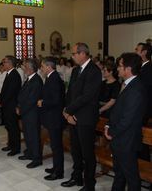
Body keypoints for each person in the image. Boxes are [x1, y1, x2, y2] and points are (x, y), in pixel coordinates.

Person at [62, 43, 102, 191]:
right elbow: (70, 93)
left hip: (85, 118)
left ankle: (89, 184)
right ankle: (77, 176)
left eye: (74, 54)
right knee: (75, 150)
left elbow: (87, 96)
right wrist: (67, 111)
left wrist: (69, 110)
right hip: (72, 116)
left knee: (87, 153)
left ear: (83, 53)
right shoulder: (75, 70)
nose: (72, 57)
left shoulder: (94, 71)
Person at [104, 53, 147, 191]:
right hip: (120, 139)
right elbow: (117, 110)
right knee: (119, 174)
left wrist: (111, 131)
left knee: (131, 178)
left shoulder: (136, 89)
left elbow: (127, 119)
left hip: (127, 140)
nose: (117, 69)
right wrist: (108, 124)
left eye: (120, 66)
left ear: (128, 69)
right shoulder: (127, 84)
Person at [38, 57, 65, 181]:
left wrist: (42, 103)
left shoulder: (54, 79)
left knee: (56, 146)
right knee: (54, 145)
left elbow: (56, 100)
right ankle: (55, 167)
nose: (41, 68)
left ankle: (58, 172)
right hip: (51, 117)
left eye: (42, 66)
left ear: (49, 67)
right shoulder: (50, 78)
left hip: (55, 118)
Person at [17, 59, 43, 169]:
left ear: (31, 68)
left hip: (32, 113)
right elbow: (22, 94)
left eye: (26, 67)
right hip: (26, 112)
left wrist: (21, 109)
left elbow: (32, 100)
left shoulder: (37, 81)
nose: (24, 69)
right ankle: (30, 153)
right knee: (27, 134)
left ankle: (37, 159)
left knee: (34, 136)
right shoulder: (29, 79)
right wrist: (19, 106)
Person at [0, 55, 22, 156]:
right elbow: (4, 90)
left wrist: (3, 101)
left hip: (11, 105)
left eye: (5, 62)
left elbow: (11, 92)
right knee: (9, 127)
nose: (3, 63)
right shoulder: (8, 74)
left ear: (10, 63)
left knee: (13, 127)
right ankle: (11, 145)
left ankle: (16, 148)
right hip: (7, 105)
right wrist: (0, 99)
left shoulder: (15, 75)